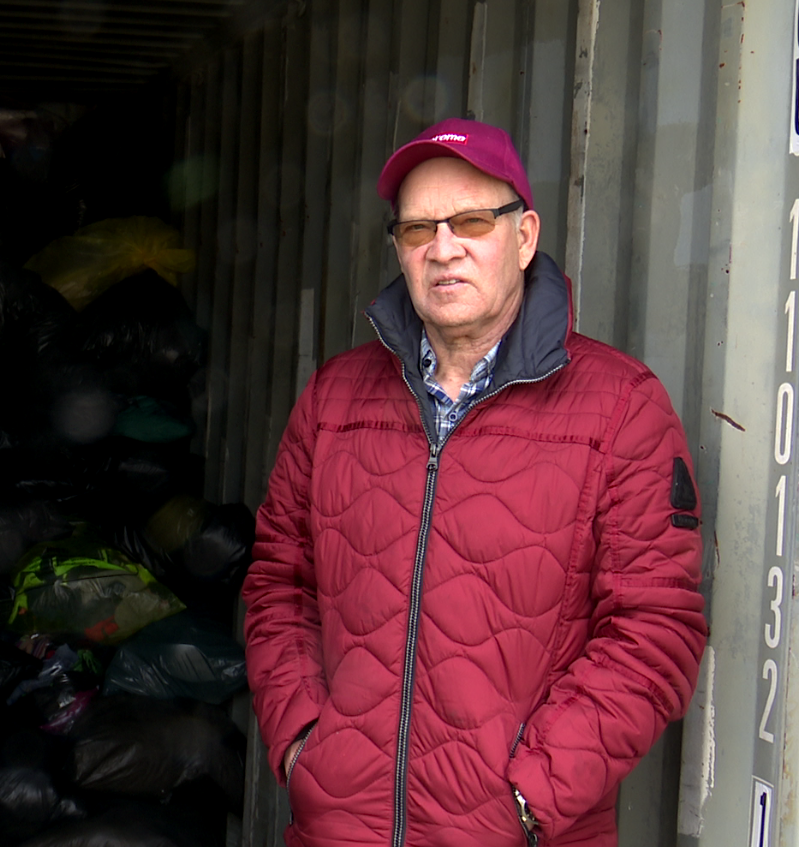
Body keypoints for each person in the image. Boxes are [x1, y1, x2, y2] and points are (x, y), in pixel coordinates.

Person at [241, 118, 707, 847]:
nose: (442, 247)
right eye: (416, 229)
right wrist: (304, 743)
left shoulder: (619, 405)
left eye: (470, 221)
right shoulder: (335, 398)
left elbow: (654, 628)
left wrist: (532, 796)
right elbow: (278, 583)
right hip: (340, 829)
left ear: (523, 238)